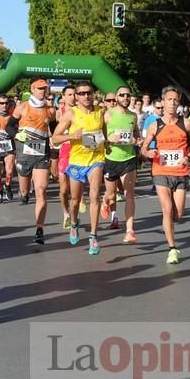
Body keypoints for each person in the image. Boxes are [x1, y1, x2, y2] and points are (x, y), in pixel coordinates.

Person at [141, 86, 190, 264]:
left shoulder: (186, 123)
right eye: (169, 99)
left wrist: (189, 156)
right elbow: (144, 147)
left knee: (178, 214)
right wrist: (148, 153)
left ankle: (171, 226)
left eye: (176, 100)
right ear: (163, 102)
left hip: (181, 172)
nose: (173, 103)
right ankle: (172, 248)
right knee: (167, 209)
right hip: (161, 171)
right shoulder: (155, 125)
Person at [52, 81, 105, 255]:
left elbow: (103, 134)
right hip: (76, 161)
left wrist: (110, 141)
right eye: (81, 93)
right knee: (75, 200)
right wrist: (71, 136)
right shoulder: (71, 114)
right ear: (76, 96)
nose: (86, 96)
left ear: (93, 94)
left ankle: (93, 236)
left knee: (95, 195)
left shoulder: (100, 112)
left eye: (88, 92)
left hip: (96, 159)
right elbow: (54, 138)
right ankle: (74, 223)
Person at [9, 77, 56, 244]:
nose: (43, 91)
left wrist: (56, 139)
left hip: (42, 155)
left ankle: (39, 229)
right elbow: (9, 126)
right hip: (24, 154)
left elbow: (55, 130)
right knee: (25, 190)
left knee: (41, 190)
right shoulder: (22, 108)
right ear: (32, 89)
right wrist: (17, 135)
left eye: (45, 88)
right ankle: (24, 193)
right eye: (40, 88)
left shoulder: (51, 111)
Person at [101, 85, 140, 243]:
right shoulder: (107, 115)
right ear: (116, 98)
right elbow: (99, 136)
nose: (125, 98)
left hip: (128, 159)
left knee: (129, 194)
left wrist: (136, 140)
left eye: (128, 95)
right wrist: (110, 139)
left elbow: (136, 133)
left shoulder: (133, 116)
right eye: (122, 95)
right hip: (111, 159)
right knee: (111, 195)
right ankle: (105, 201)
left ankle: (130, 230)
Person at [55, 85, 76, 229]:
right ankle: (65, 213)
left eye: (74, 94)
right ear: (63, 97)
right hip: (64, 151)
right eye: (69, 94)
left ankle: (74, 215)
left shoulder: (83, 112)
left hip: (79, 151)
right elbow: (56, 134)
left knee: (76, 188)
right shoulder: (59, 113)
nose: (73, 97)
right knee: (63, 189)